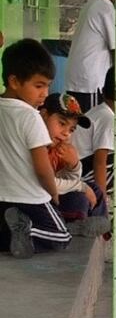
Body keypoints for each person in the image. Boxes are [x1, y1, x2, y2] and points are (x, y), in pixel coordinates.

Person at [0, 39, 70, 258]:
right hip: (30, 198)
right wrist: (53, 195)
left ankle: (17, 233)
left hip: (3, 199)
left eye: (47, 86)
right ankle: (29, 231)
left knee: (6, 234)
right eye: (38, 86)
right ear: (14, 81)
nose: (44, 93)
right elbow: (42, 168)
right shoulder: (30, 116)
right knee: (62, 236)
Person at [40, 93, 109, 235]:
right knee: (79, 198)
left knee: (94, 189)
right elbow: (44, 183)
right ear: (44, 115)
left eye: (71, 129)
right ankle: (73, 226)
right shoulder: (36, 147)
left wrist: (73, 165)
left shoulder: (55, 148)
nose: (66, 133)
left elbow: (68, 182)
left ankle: (96, 228)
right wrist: (81, 186)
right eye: (62, 123)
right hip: (37, 201)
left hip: (52, 197)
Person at [66, 0, 116, 112]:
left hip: (79, 81)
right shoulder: (104, 7)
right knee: (91, 123)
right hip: (90, 84)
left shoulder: (90, 5)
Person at [73, 66, 116, 193]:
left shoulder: (101, 110)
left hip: (79, 168)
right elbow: (100, 162)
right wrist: (101, 201)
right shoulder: (108, 118)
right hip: (83, 173)